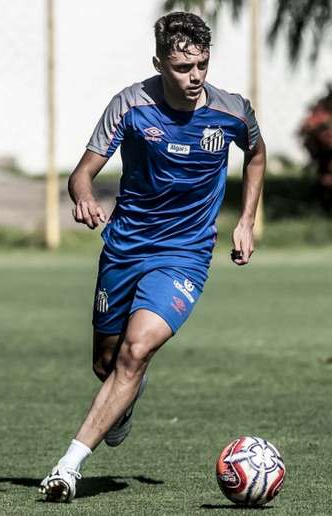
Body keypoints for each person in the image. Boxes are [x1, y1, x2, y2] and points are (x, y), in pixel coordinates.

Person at [39, 11, 266, 502]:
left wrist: (246, 219)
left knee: (137, 351)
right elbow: (81, 173)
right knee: (107, 363)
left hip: (185, 254)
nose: (196, 77)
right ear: (159, 63)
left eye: (202, 64)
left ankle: (67, 467)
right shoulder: (131, 105)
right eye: (183, 67)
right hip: (124, 247)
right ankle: (123, 399)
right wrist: (82, 195)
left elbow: (257, 154)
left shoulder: (231, 112)